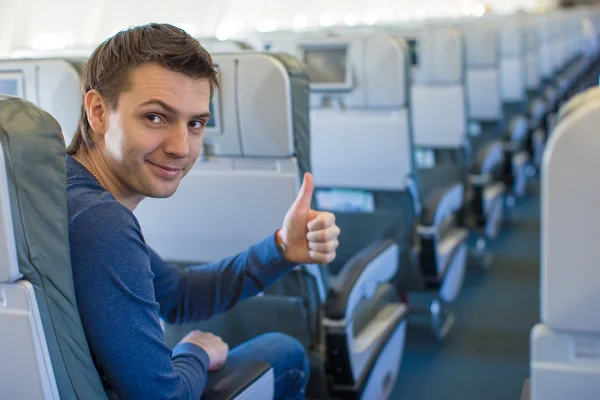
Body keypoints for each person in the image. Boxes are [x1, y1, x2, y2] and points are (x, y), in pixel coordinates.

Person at [65, 23, 340, 400]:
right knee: (285, 352)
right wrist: (194, 352)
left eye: (195, 123)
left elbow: (177, 295)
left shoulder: (61, 185)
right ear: (98, 111)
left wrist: (280, 248)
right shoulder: (101, 222)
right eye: (156, 118)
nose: (182, 147)